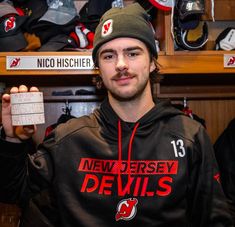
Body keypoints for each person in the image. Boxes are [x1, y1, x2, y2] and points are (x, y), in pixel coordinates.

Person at [0, 3, 233, 227]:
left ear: (152, 62)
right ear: (98, 69)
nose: (121, 64)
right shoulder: (67, 139)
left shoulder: (190, 136)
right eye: (108, 56)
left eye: (132, 53)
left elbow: (215, 219)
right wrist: (11, 140)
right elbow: (14, 191)